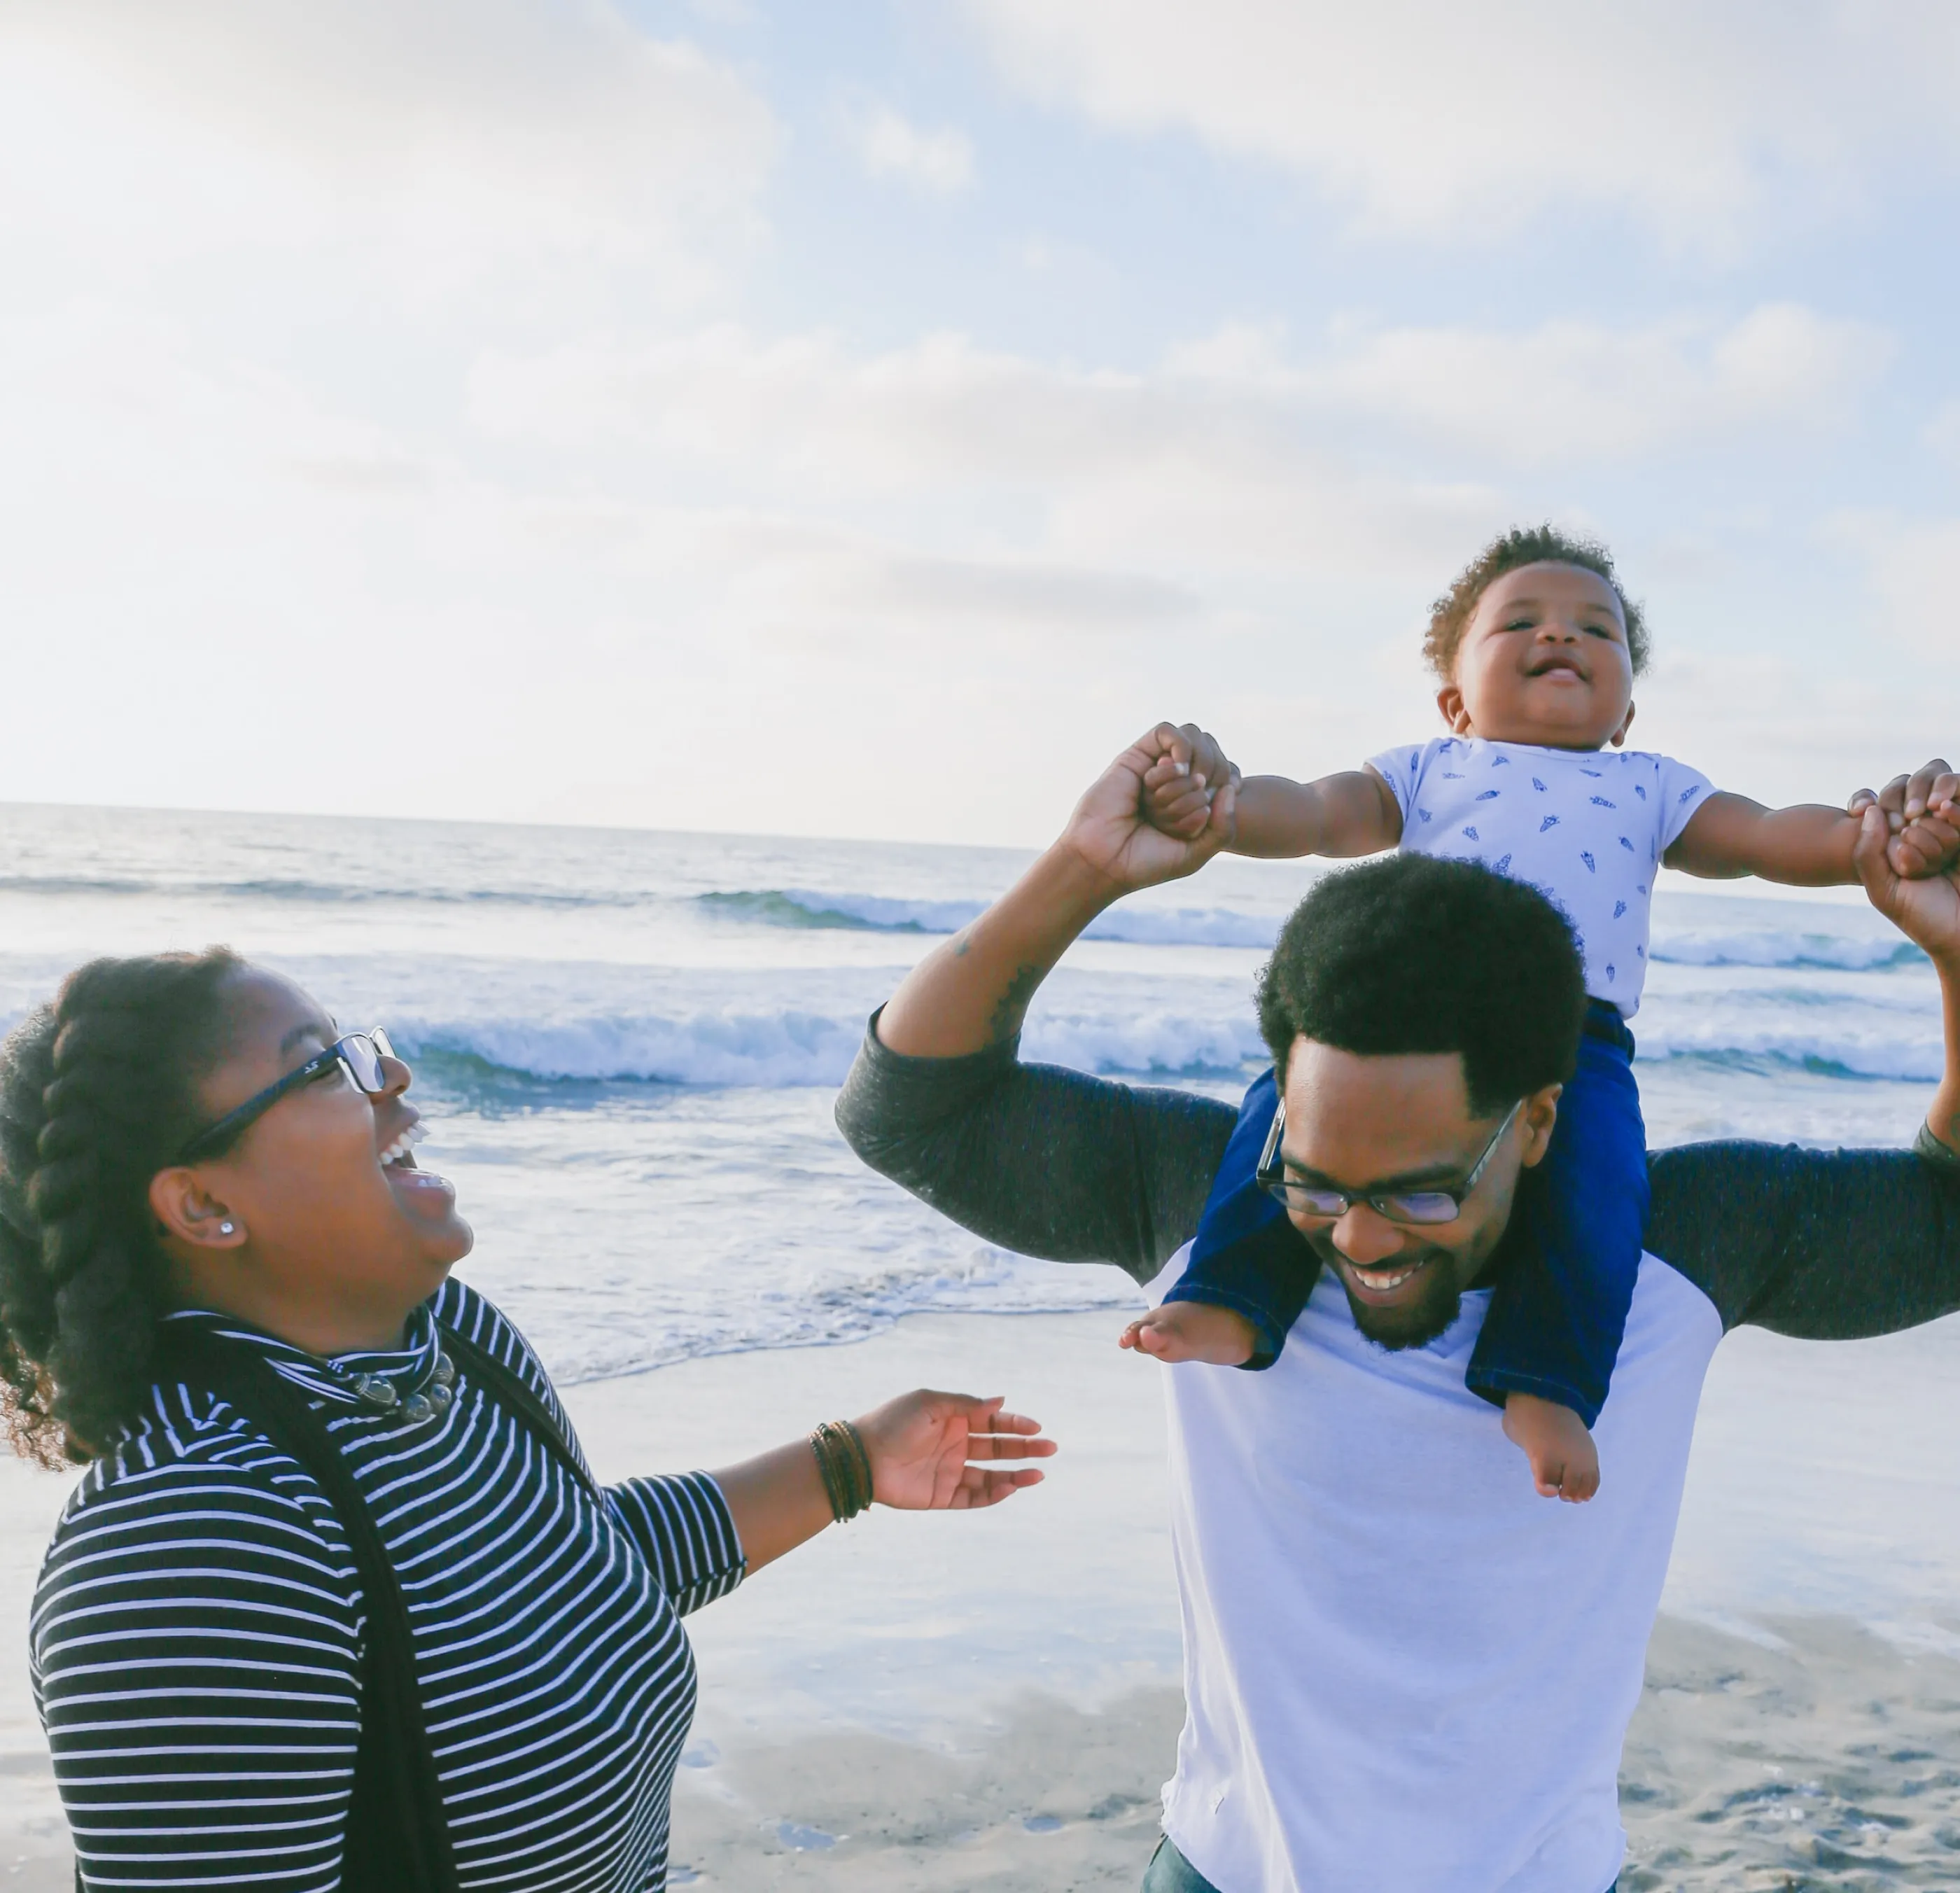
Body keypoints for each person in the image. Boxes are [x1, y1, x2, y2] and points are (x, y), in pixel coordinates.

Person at [833, 732, 1960, 1893]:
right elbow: (908, 1112)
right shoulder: (1210, 1208)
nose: (1361, 1238)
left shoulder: (1681, 1248)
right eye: (1315, 1181)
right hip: (1224, 1871)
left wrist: (1954, 951)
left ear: (1534, 1123)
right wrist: (1086, 866)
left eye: (1421, 1190)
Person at [0, 951, 1054, 1892]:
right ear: (201, 1207)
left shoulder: (450, 1342)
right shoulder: (194, 1543)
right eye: (322, 1067)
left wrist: (853, 1464)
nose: (392, 1080)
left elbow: (561, 1574)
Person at [1124, 524, 1960, 1502]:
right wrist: (1216, 808)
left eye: (1595, 631)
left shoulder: (1649, 786)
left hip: (1577, 1034)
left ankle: (1547, 1381)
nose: (1561, 637)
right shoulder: (1427, 768)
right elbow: (1312, 812)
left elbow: (1774, 838)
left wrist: (1885, 836)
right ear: (1454, 701)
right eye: (1521, 621)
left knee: (1601, 1185)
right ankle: (1228, 1297)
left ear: (1627, 711)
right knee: (1282, 1114)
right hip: (1409, 1016)